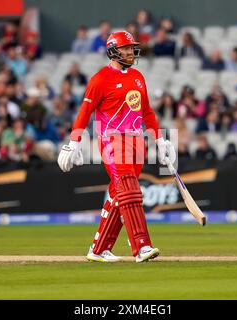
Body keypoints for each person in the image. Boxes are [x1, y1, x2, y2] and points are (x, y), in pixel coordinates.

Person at [57, 31, 175, 263]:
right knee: (129, 189)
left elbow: (147, 112)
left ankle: (99, 249)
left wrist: (160, 141)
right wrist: (74, 142)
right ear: (113, 51)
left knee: (118, 194)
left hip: (136, 142)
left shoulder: (138, 77)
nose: (131, 52)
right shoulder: (100, 79)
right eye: (126, 48)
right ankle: (142, 246)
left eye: (132, 48)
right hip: (112, 141)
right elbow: (85, 113)